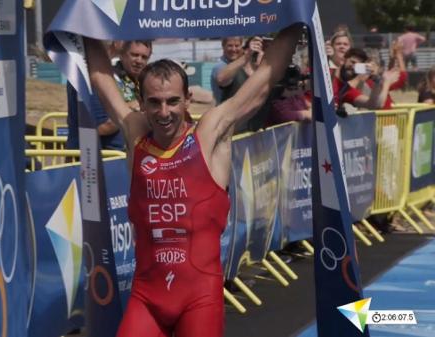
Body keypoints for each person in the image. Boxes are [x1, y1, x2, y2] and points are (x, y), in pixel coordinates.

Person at [84, 24, 301, 337]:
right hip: (147, 297)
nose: (164, 112)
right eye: (154, 102)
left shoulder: (209, 136)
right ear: (141, 103)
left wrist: (292, 22)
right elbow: (101, 77)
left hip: (199, 299)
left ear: (187, 99)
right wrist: (85, 22)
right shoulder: (136, 136)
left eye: (173, 101)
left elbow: (264, 81)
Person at [65, 40, 152, 151]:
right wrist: (135, 107)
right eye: (134, 55)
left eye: (144, 57)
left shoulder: (129, 80)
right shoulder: (91, 76)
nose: (139, 61)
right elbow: (102, 127)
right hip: (99, 157)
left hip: (118, 155)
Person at [334, 48, 406, 111]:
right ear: (344, 60)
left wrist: (378, 79)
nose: (353, 67)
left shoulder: (376, 81)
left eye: (358, 65)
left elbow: (375, 105)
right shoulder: (331, 75)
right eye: (352, 62)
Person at [210, 36, 243, 103]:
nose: (233, 49)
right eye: (230, 46)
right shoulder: (219, 67)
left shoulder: (242, 65)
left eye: (237, 46)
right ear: (223, 46)